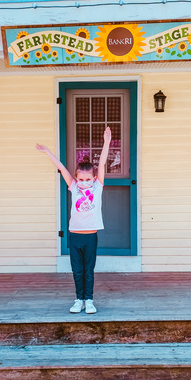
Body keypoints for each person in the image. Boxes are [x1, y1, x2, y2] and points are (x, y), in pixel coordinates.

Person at [36, 127, 112, 314]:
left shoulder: (97, 187)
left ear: (93, 179)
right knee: (77, 270)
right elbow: (61, 167)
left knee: (89, 270)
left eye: (88, 179)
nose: (84, 182)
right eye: (81, 179)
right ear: (76, 178)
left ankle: (90, 300)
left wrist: (107, 142)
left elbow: (101, 165)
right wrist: (47, 152)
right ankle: (79, 299)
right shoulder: (73, 187)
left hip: (90, 236)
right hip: (75, 236)